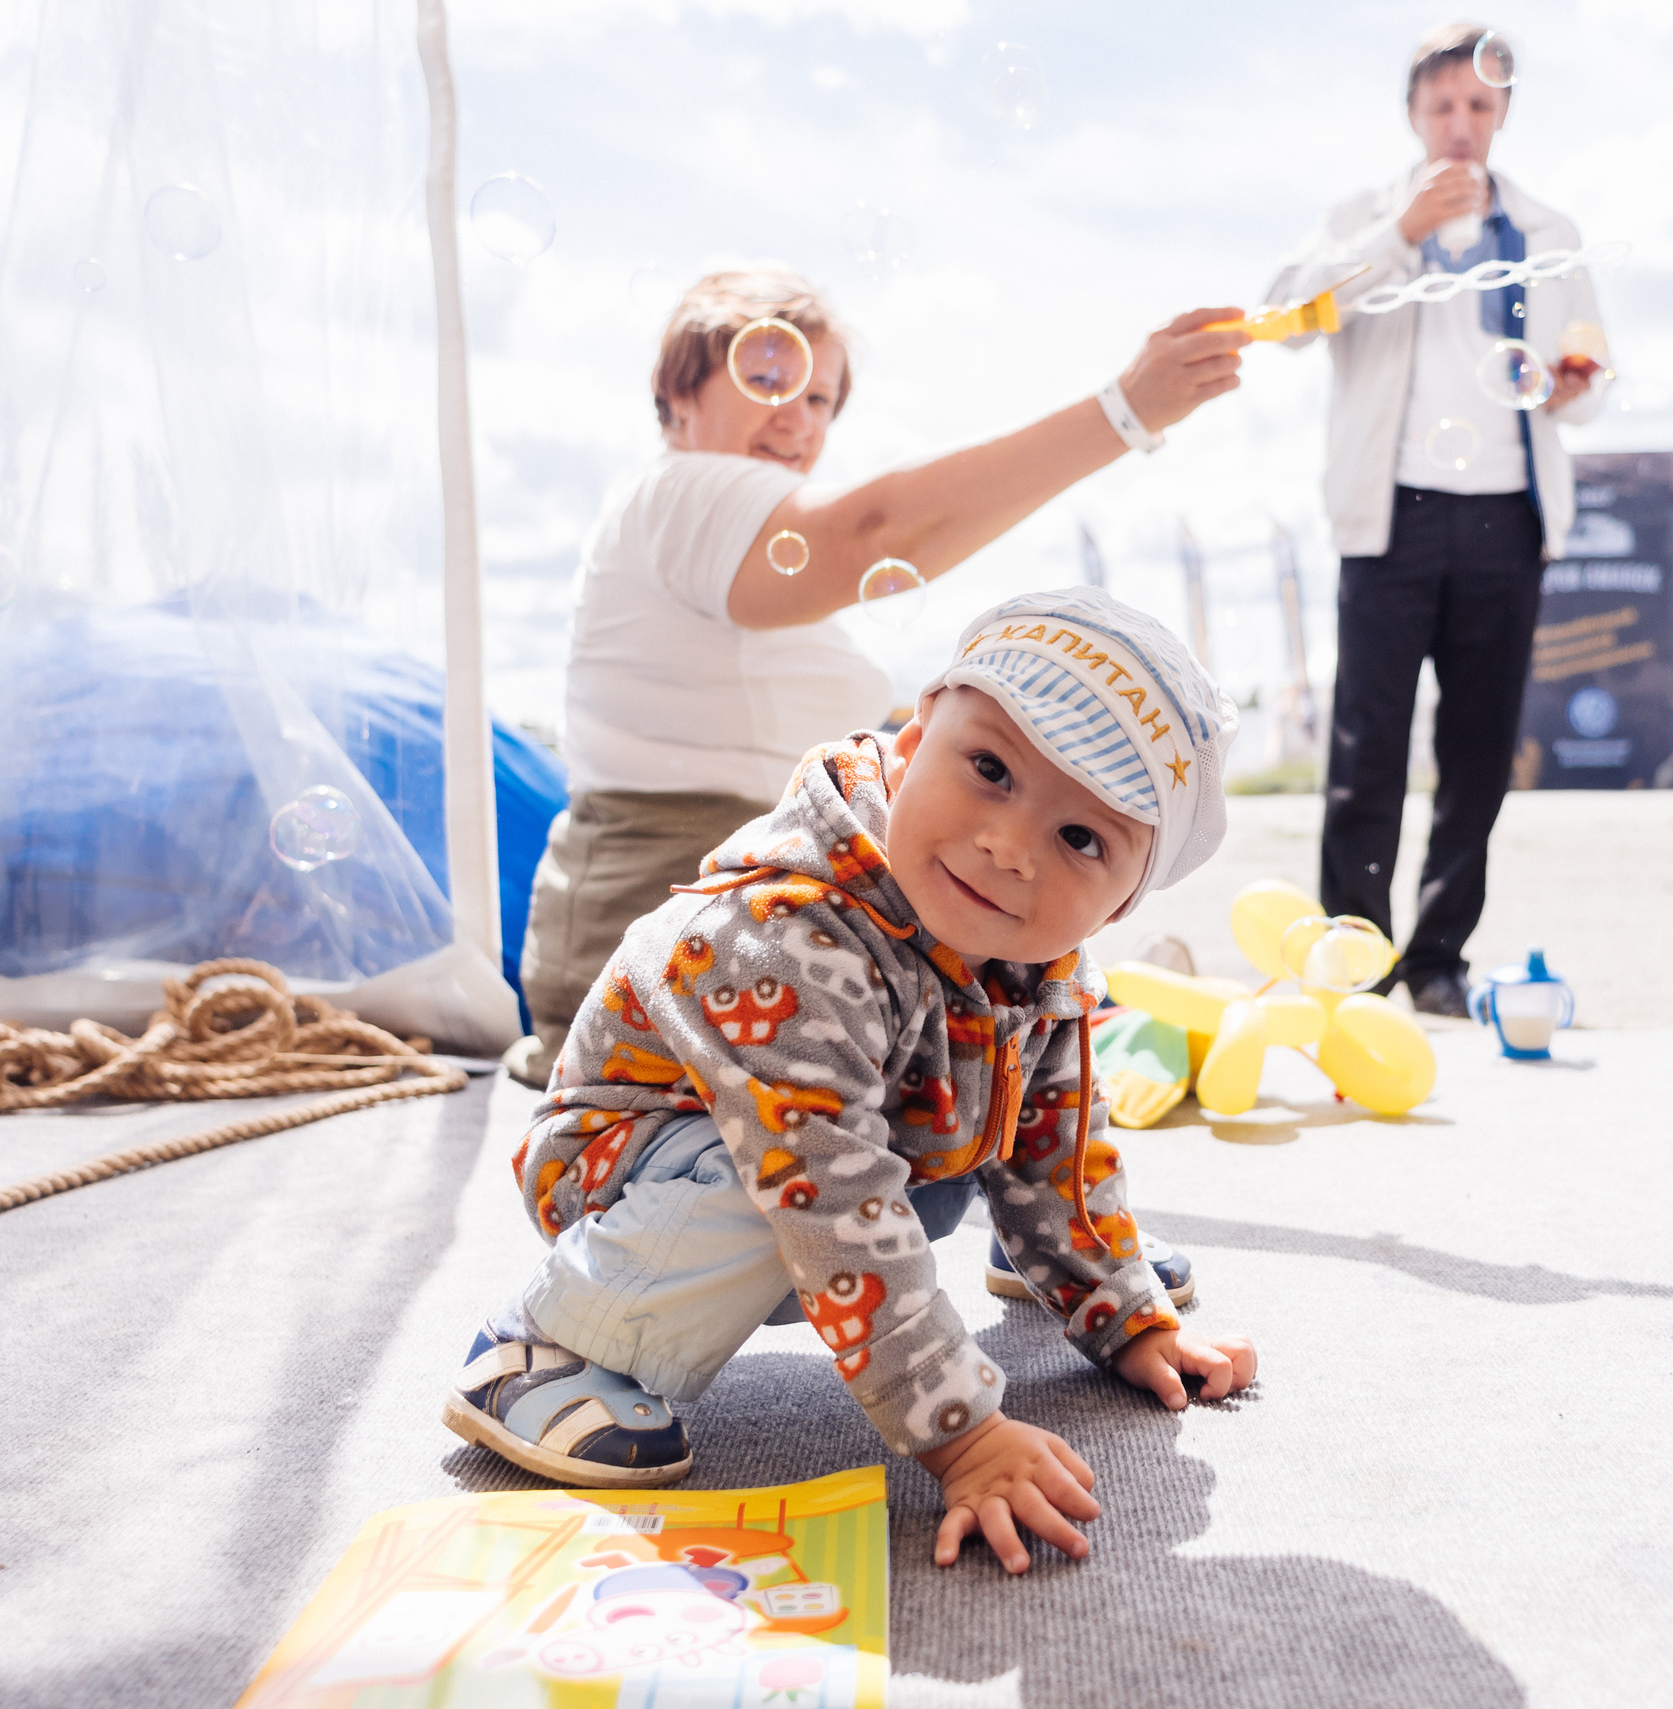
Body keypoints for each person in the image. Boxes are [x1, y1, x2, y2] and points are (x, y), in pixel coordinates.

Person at [448, 590, 1259, 1576]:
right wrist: (961, 1430)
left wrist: (1122, 1312)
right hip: (638, 1155)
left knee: (996, 1112)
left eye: (1081, 839)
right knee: (784, 1185)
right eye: (990, 770)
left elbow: (1056, 1139)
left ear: (1121, 903)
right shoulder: (788, 933)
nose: (1008, 846)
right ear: (913, 741)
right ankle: (551, 1340)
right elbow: (825, 1187)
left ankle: (1045, 1259)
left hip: (848, 1148)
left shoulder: (1045, 965)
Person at [510, 270, 1248, 1086]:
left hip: (755, 943)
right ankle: (1118, 1014)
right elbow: (876, 531)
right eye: (767, 379)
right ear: (678, 393)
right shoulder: (681, 492)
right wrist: (1124, 409)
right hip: (681, 963)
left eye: (820, 399)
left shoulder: (707, 545)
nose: (799, 418)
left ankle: (1109, 1012)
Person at [1263, 23, 1608, 1018]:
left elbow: (1588, 374)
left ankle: (1439, 959)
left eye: (1479, 106)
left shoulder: (1550, 232)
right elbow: (1282, 316)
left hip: (1508, 513)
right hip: (1391, 513)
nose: (1460, 124)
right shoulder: (1363, 217)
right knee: (1366, 748)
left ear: (1503, 114)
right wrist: (1399, 232)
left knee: (1477, 751)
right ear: (1412, 114)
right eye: (1442, 105)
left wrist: (1575, 386)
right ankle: (1353, 960)